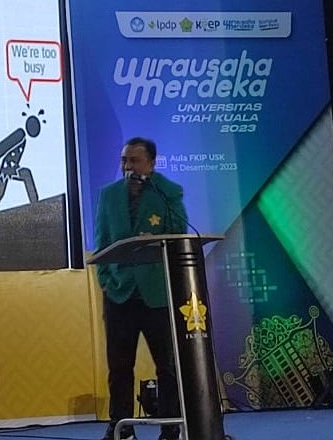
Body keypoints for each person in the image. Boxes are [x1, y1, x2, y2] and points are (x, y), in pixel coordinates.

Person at [94, 137, 186, 440]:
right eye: (124, 160)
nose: (128, 167)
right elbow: (101, 244)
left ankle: (170, 426)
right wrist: (107, 281)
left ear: (151, 163)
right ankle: (120, 427)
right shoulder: (108, 195)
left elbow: (179, 233)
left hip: (157, 294)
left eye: (134, 161)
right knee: (119, 366)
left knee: (168, 366)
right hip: (119, 293)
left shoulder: (168, 192)